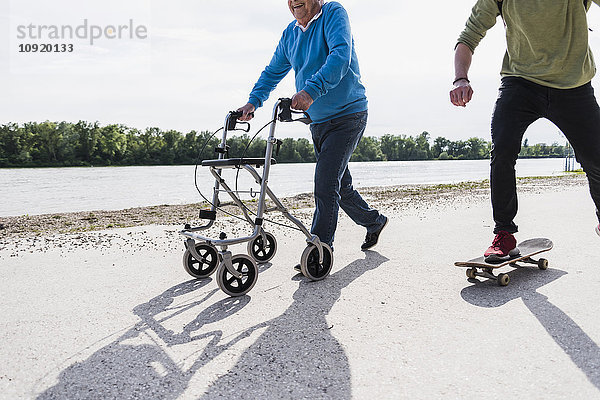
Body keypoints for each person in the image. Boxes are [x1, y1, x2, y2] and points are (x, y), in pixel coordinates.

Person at [450, 0, 600, 261]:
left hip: (573, 84)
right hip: (520, 83)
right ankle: (504, 235)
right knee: (503, 150)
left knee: (596, 159)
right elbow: (469, 36)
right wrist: (460, 77)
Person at [237, 0, 388, 255]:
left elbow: (340, 57)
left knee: (326, 181)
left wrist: (311, 90)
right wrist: (253, 102)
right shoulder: (290, 34)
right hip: (317, 121)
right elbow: (273, 72)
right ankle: (374, 221)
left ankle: (320, 248)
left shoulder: (332, 13)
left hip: (348, 115)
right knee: (340, 184)